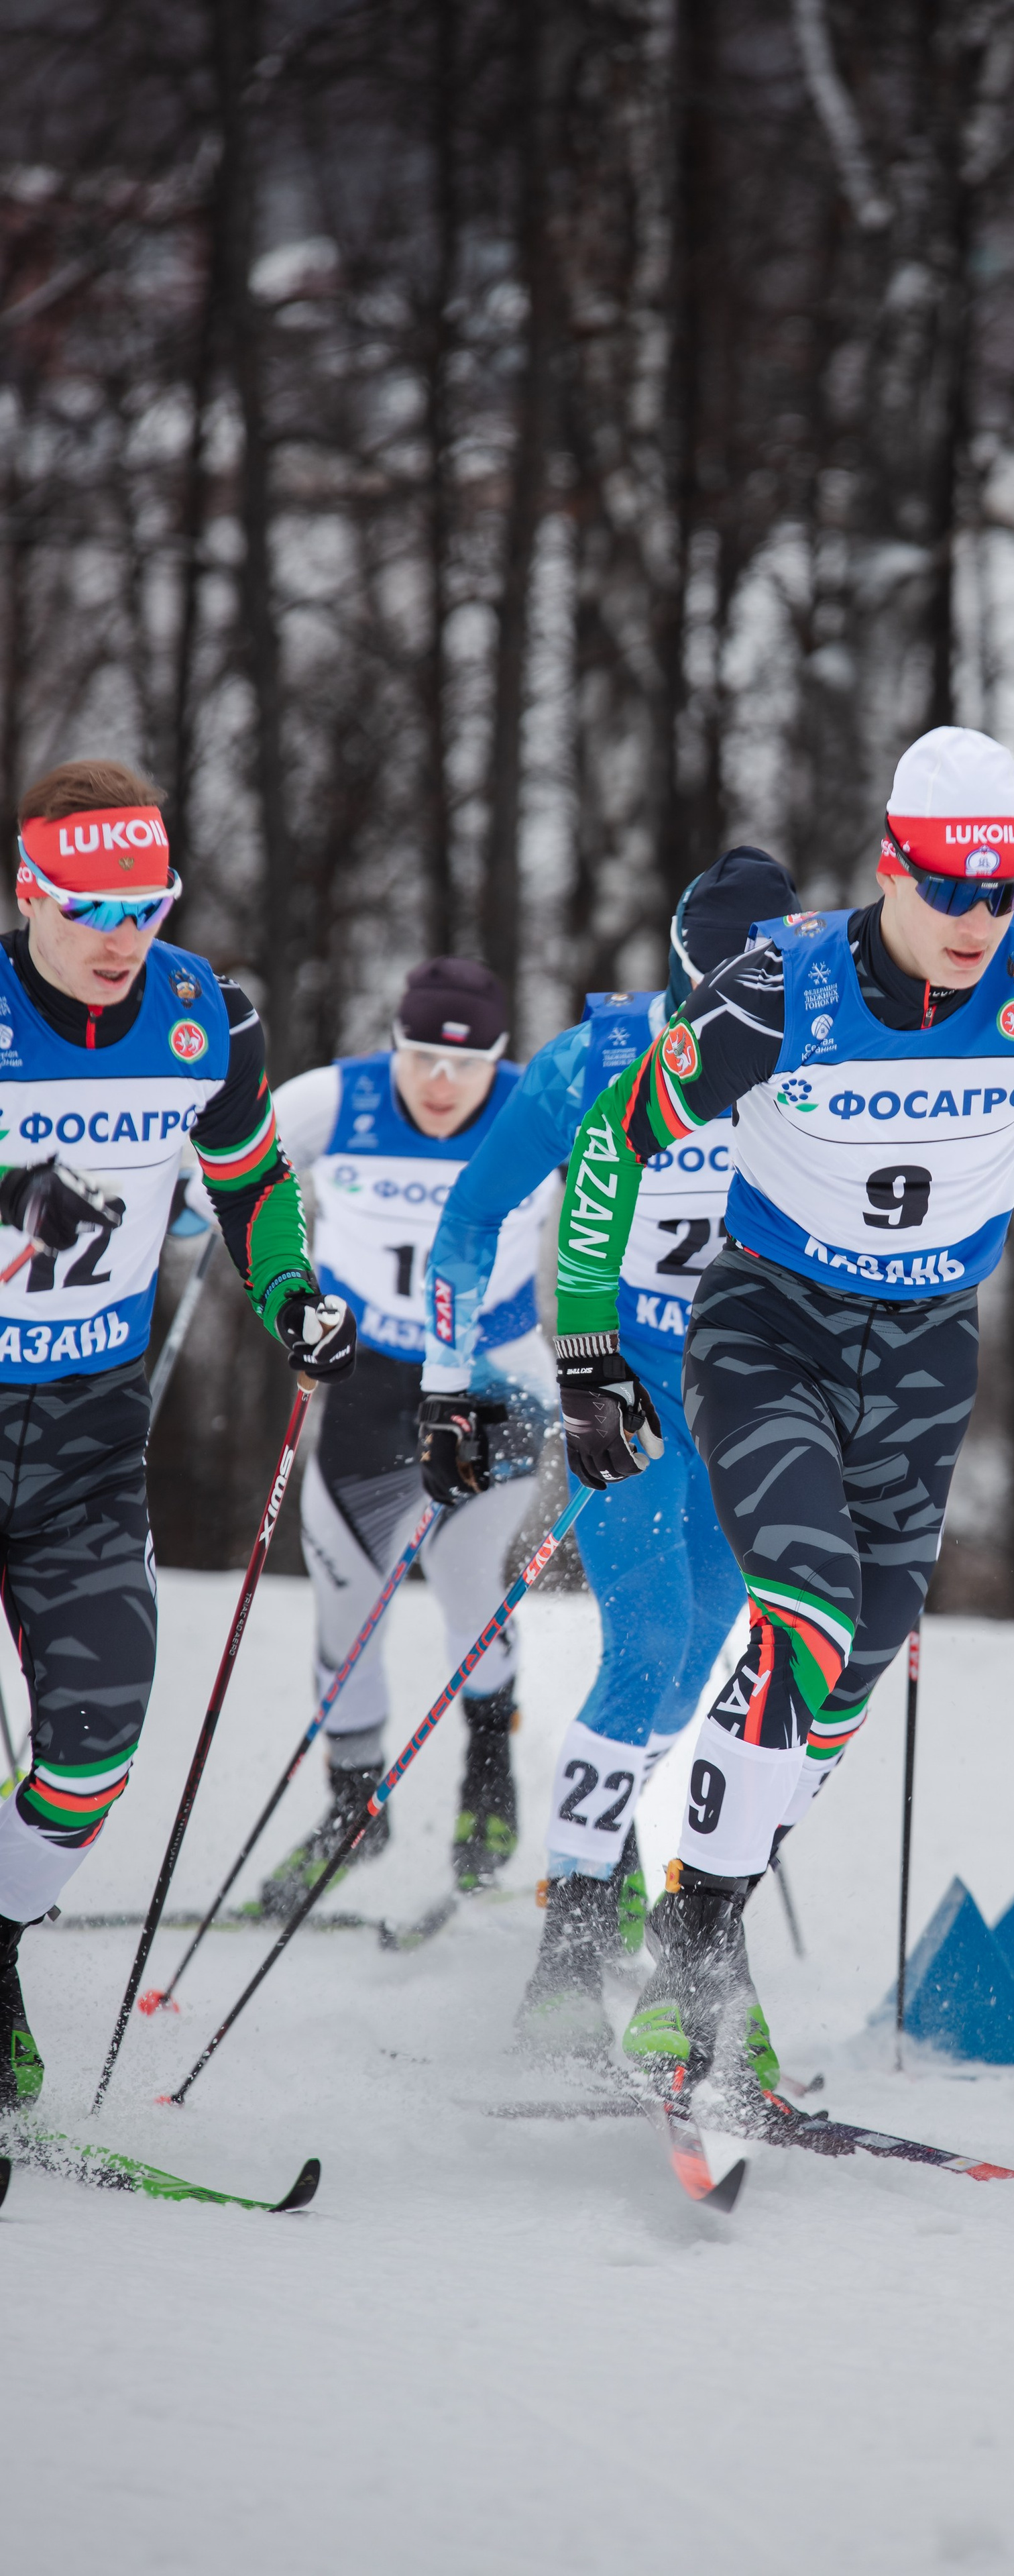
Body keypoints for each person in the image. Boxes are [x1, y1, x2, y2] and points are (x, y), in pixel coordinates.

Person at [547, 726, 1014, 2124]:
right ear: (892, 868)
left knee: (857, 1659)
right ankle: (688, 1958)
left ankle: (704, 1922)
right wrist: (586, 1348)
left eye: (1003, 888)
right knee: (804, 1609)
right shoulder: (780, 989)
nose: (979, 919)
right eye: (951, 888)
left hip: (925, 1352)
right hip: (770, 1328)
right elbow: (617, 1136)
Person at [0, 758, 355, 2112]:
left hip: (86, 1436)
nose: (118, 939)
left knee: (94, 1746)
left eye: (144, 908)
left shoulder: (205, 1019)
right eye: (88, 908)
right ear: (29, 892)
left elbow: (250, 1181)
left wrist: (291, 1292)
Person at [418, 847, 797, 2057]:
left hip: (747, 1392)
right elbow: (474, 1212)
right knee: (646, 1645)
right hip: (619, 1378)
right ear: (682, 970)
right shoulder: (596, 1060)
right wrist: (445, 1381)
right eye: (715, 985)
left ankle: (620, 1854)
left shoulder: (812, 1048)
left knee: (699, 1661)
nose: (737, 1014)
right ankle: (569, 1951)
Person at [239, 958, 561, 1914]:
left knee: (466, 1577)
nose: (441, 1083)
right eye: (421, 1057)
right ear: (393, 1045)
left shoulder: (541, 1106)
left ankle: (489, 1779)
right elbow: (231, 1161)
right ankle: (354, 1806)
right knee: (345, 1591)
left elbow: (631, 1182)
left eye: (466, 1064)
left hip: (495, 1375)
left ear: (500, 1059)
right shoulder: (337, 1101)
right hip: (371, 1377)